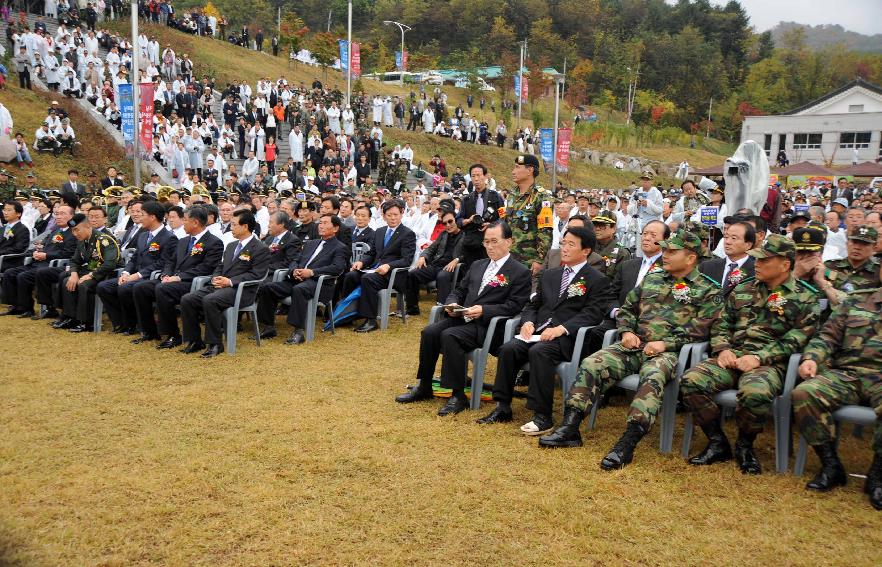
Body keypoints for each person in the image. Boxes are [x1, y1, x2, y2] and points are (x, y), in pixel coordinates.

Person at [539, 231, 720, 471]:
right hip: (634, 344)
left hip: (670, 352)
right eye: (664, 250)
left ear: (690, 258)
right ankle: (570, 427)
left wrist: (667, 344)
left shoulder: (708, 290)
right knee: (593, 363)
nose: (664, 255)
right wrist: (626, 332)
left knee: (652, 378)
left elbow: (704, 330)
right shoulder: (653, 279)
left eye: (672, 252)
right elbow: (627, 309)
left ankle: (628, 442)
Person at [680, 235, 820, 474]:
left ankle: (745, 444)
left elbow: (798, 338)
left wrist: (760, 357)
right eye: (757, 259)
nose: (756, 264)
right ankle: (717, 441)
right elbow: (721, 323)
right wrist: (723, 348)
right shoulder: (743, 288)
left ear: (785, 264)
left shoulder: (805, 297)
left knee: (755, 393)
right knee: (691, 381)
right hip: (732, 357)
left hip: (768, 364)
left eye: (764, 260)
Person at [478, 227, 612, 429]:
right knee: (508, 349)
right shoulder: (550, 274)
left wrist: (562, 329)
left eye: (571, 244)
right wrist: (528, 322)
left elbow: (592, 313)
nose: (564, 249)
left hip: (568, 339)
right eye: (563, 243)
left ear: (586, 251)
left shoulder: (597, 279)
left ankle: (542, 415)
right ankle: (502, 406)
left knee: (541, 352)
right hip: (538, 332)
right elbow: (533, 304)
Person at [395, 221, 532, 414]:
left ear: (509, 242)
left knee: (451, 335)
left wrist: (484, 310)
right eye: (486, 242)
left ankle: (458, 395)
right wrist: (451, 303)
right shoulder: (477, 265)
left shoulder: (520, 271)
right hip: (464, 317)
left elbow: (515, 306)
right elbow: (459, 290)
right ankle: (425, 385)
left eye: (495, 241)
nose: (490, 246)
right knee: (430, 332)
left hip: (489, 326)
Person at [792, 268, 882, 510]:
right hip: (847, 373)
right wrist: (811, 358)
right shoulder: (857, 299)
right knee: (805, 393)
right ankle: (831, 465)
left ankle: (877, 475)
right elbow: (827, 336)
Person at [179, 210, 271, 357]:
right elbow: (220, 266)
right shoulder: (231, 246)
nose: (231, 228)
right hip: (221, 286)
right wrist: (216, 277)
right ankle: (194, 340)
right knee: (188, 299)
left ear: (245, 226)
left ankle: (215, 344)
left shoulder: (260, 248)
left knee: (211, 300)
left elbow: (257, 275)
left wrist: (229, 281)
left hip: (242, 291)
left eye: (234, 225)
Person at [133, 206, 224, 349]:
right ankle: (149, 331)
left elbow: (206, 268)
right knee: (141, 287)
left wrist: (179, 277)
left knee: (163, 289)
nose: (182, 223)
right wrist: (167, 274)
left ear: (195, 222)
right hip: (173, 279)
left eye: (185, 220)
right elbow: (171, 261)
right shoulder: (183, 241)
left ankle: (173, 335)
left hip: (192, 282)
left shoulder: (214, 242)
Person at [255, 214, 350, 344]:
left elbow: (337, 268)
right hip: (297, 279)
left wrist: (311, 272)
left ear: (335, 228)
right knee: (268, 288)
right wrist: (294, 270)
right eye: (320, 222)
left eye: (325, 223)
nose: (321, 226)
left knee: (300, 290)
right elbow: (296, 259)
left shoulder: (340, 247)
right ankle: (268, 327)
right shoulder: (311, 243)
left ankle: (298, 331)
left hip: (319, 283)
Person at [585, 220, 669, 355]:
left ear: (665, 240)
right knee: (592, 333)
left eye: (653, 235)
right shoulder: (629, 265)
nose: (647, 238)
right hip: (622, 318)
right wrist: (616, 311)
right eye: (645, 233)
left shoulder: (669, 266)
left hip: (652, 323)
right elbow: (611, 294)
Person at [97, 201, 178, 338]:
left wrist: (137, 275)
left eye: (143, 214)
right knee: (104, 287)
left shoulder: (169, 238)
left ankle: (142, 327)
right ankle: (122, 323)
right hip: (134, 275)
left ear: (152, 217)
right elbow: (134, 259)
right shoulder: (143, 235)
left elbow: (162, 263)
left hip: (151, 277)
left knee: (126, 288)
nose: (139, 217)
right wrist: (126, 272)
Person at [342, 200, 416, 333]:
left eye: (395, 214)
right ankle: (348, 313)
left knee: (367, 279)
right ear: (383, 215)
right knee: (351, 275)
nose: (393, 218)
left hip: (392, 275)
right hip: (374, 269)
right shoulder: (380, 231)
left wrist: (388, 265)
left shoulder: (407, 234)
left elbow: (407, 260)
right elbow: (372, 253)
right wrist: (362, 262)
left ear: (401, 214)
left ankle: (370, 320)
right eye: (389, 215)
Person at [1, 204, 76, 317]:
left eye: (62, 214)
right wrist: (35, 253)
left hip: (51, 264)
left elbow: (67, 253)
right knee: (10, 273)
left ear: (72, 216)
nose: (58, 217)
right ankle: (16, 305)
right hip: (38, 262)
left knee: (23, 276)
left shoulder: (74, 232)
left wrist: (46, 255)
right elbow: (44, 246)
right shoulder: (55, 231)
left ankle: (28, 308)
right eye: (57, 214)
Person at [55, 213, 121, 333]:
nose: (75, 234)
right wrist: (74, 274)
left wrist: (91, 275)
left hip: (106, 274)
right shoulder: (82, 240)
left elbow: (110, 264)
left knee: (84, 285)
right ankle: (71, 317)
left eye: (77, 230)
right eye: (72, 231)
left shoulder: (105, 240)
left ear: (88, 226)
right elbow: (75, 260)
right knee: (67, 280)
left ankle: (86, 322)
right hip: (91, 271)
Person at [405, 210, 464, 316]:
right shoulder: (443, 234)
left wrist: (456, 260)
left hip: (454, 267)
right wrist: (423, 257)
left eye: (450, 221)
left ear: (457, 220)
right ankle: (412, 308)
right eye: (445, 223)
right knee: (412, 273)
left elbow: (468, 253)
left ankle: (443, 311)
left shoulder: (465, 234)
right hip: (437, 264)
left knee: (442, 276)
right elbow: (431, 248)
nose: (448, 225)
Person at [507, 155, 553, 284]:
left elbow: (545, 231)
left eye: (517, 167)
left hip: (527, 260)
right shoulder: (512, 194)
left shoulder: (542, 197)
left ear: (530, 170)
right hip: (508, 256)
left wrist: (539, 260)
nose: (513, 171)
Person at [815, 226, 880, 307]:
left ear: (874, 247)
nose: (857, 247)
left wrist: (824, 284)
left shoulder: (878, 273)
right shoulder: (830, 266)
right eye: (854, 242)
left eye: (864, 244)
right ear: (847, 243)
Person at [459, 163, 503, 266]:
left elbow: (504, 219)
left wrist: (491, 225)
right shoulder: (466, 199)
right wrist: (468, 220)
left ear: (485, 176)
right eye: (473, 176)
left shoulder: (496, 197)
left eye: (478, 175)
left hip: (491, 245)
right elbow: (458, 221)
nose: (476, 179)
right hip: (471, 245)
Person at [699, 220, 756, 292]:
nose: (727, 242)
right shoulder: (707, 267)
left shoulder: (756, 271)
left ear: (748, 245)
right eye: (726, 237)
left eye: (734, 238)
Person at [592, 210, 631, 279]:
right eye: (595, 225)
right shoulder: (589, 246)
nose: (597, 228)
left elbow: (619, 282)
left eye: (602, 225)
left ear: (613, 229)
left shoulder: (622, 253)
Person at [0, 201, 32, 270]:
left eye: (9, 210)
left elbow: (18, 249)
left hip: (10, 261)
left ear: (18, 213)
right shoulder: (3, 228)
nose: (5, 213)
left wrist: (1, 252)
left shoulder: (22, 229)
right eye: (4, 210)